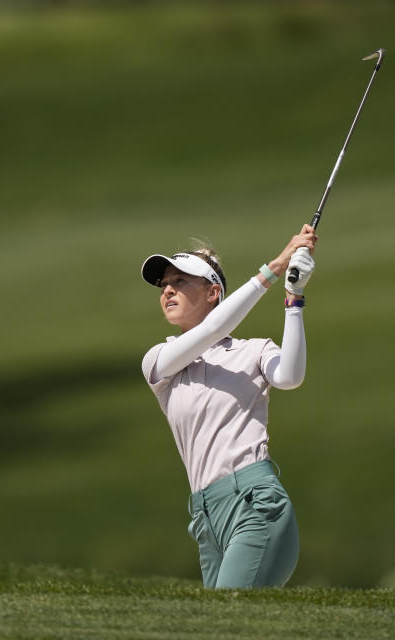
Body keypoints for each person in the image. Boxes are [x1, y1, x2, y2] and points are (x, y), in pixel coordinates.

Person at [139, 225, 317, 589]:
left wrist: (293, 296)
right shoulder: (159, 361)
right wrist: (275, 267)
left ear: (213, 292)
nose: (167, 289)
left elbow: (289, 377)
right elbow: (211, 330)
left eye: (180, 281)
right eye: (164, 284)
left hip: (254, 502)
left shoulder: (253, 350)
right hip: (206, 519)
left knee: (228, 621)